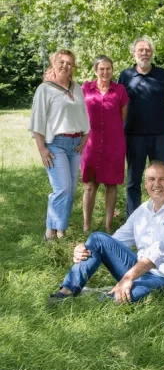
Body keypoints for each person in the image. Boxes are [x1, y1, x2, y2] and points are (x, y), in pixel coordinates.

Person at [48, 161, 164, 304]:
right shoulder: (143, 210)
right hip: (140, 268)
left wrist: (128, 277)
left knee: (127, 295)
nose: (156, 184)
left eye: (162, 179)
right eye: (151, 179)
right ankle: (66, 291)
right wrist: (84, 249)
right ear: (145, 184)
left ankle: (103, 296)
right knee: (97, 239)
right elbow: (113, 242)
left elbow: (159, 251)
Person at [28, 49, 90, 240]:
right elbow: (37, 120)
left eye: (69, 63)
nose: (65, 66)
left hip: (75, 144)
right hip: (55, 144)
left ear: (73, 67)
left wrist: (86, 136)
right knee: (62, 188)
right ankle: (50, 231)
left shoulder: (77, 88)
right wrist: (42, 149)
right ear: (54, 63)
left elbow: (83, 114)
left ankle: (60, 229)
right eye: (61, 62)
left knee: (70, 190)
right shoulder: (45, 89)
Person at [118, 36, 164, 217]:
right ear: (133, 53)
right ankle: (133, 218)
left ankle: (162, 214)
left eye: (148, 50)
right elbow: (119, 107)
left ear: (152, 53)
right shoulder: (125, 76)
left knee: (161, 179)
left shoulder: (162, 74)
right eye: (141, 50)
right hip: (133, 136)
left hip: (159, 135)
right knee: (134, 180)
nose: (144, 53)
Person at [81, 55, 128, 233]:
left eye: (108, 68)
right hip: (90, 143)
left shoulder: (119, 90)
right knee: (90, 185)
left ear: (112, 70)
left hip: (113, 143)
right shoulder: (86, 88)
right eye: (102, 68)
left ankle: (108, 225)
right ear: (95, 70)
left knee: (111, 184)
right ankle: (86, 225)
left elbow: (123, 116)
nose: (105, 72)